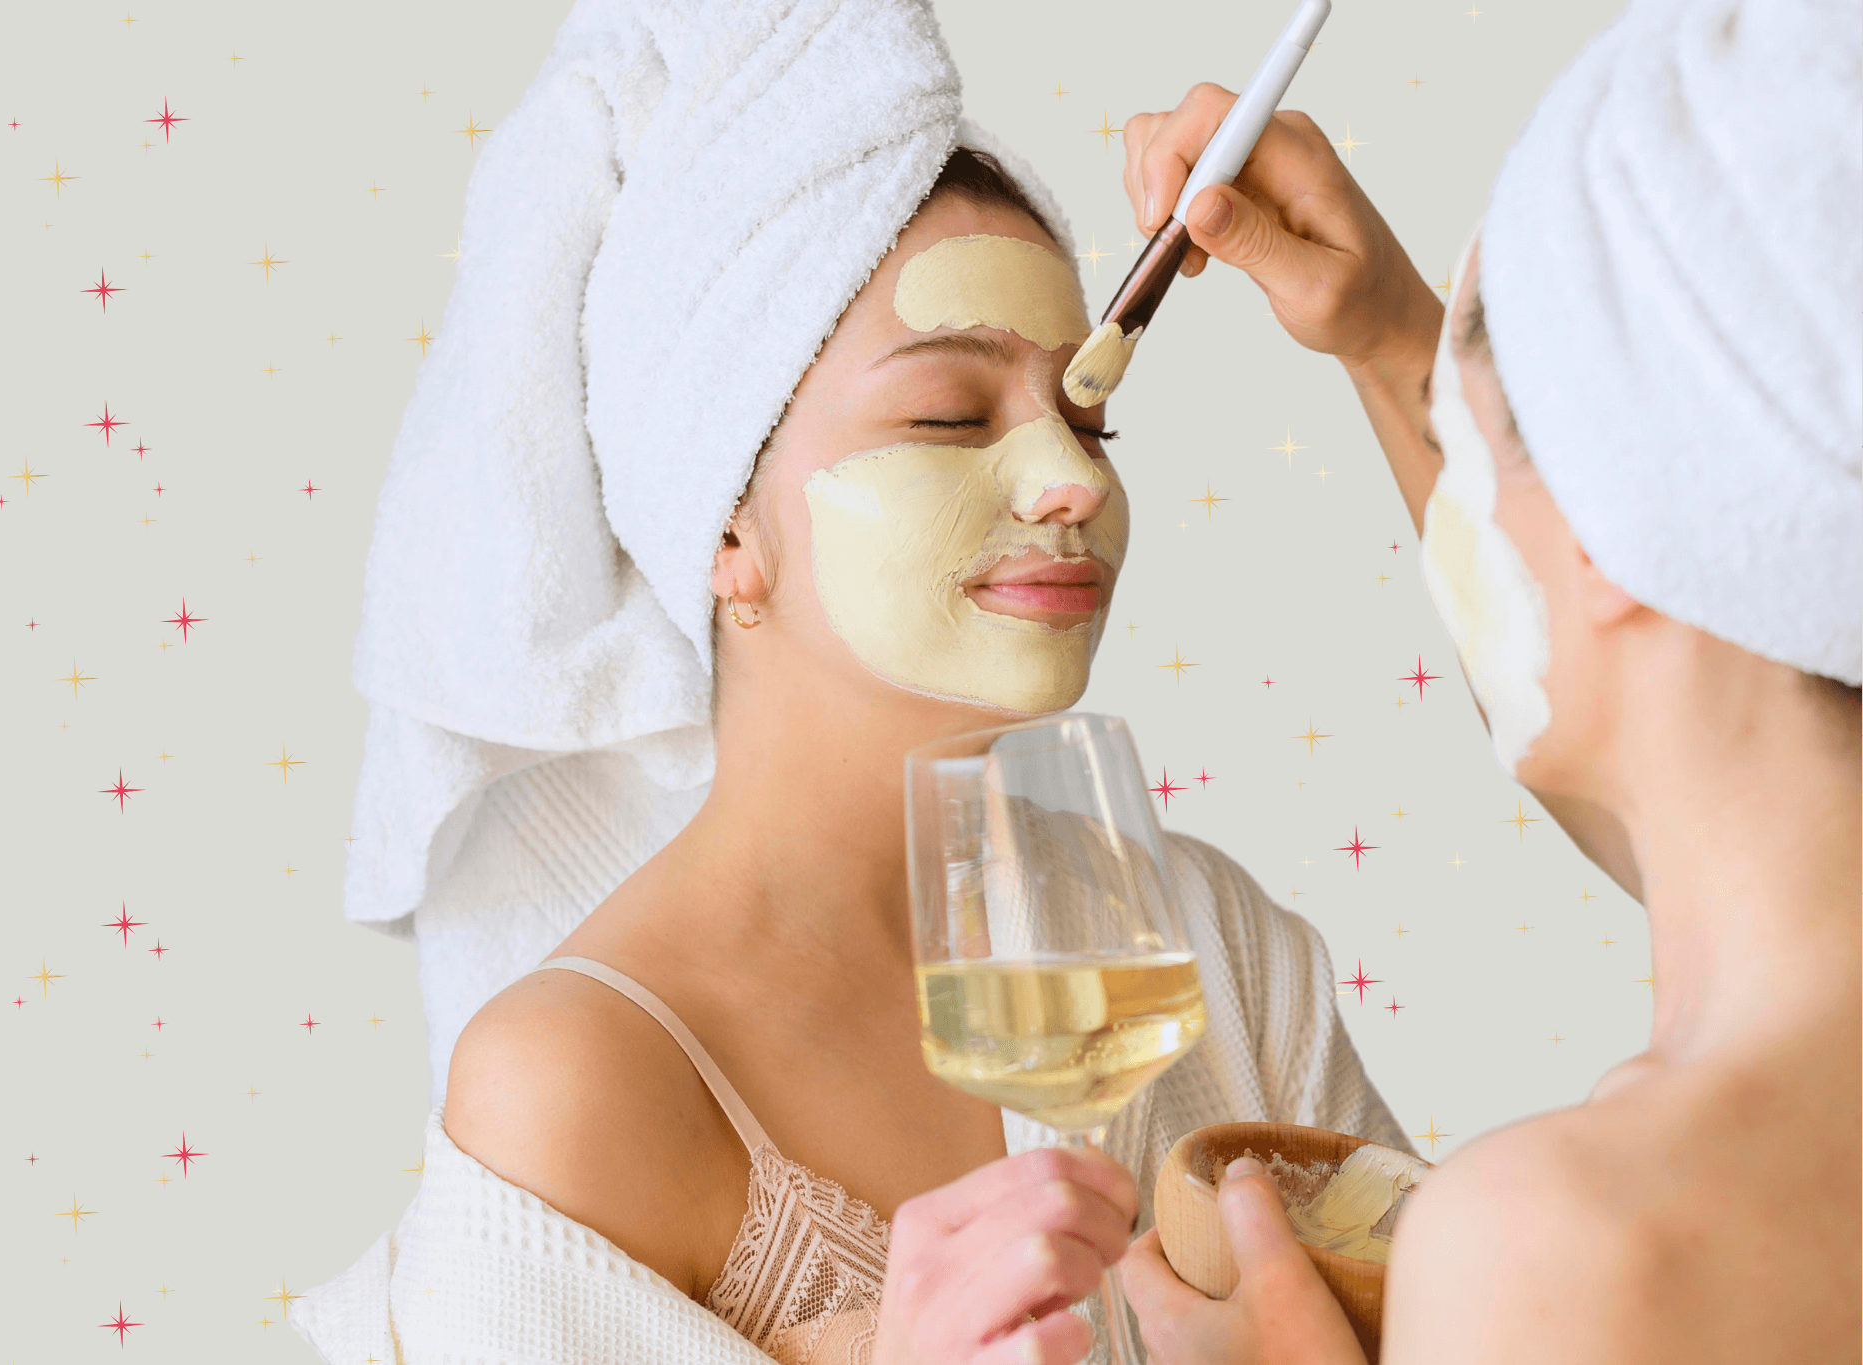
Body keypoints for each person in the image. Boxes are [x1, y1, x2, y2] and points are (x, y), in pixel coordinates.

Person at [291, 2, 1402, 1363]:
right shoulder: (576, 1089)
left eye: (1091, 417)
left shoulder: (1201, 946)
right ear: (722, 533)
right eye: (948, 416)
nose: (1072, 482)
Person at [1098, 0, 1862, 1360]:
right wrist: (1398, 338)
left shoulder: (1563, 1245)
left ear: (1632, 520)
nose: (1455, 512)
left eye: (1479, 435)